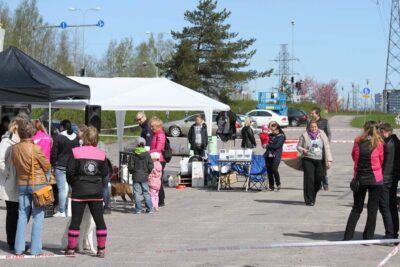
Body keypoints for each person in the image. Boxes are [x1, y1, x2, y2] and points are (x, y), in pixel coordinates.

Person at [66, 126, 108, 257]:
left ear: (84, 137)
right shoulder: (101, 154)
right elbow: (105, 172)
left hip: (79, 190)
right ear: (96, 139)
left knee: (76, 221)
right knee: (99, 220)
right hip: (96, 191)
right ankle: (101, 249)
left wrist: (74, 183)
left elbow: (70, 172)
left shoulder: (75, 152)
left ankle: (71, 249)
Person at [11, 119, 51, 256]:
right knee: (38, 216)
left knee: (22, 216)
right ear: (31, 133)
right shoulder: (36, 148)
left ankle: (18, 248)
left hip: (22, 184)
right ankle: (35, 249)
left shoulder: (14, 148)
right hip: (38, 183)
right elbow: (47, 166)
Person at [344, 121, 384, 241]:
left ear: (364, 129)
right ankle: (368, 238)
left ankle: (347, 237)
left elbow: (353, 156)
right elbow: (381, 160)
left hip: (359, 179)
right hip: (375, 180)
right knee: (372, 210)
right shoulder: (379, 143)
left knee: (356, 208)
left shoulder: (358, 141)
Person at [297, 120, 333, 206]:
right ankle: (309, 200)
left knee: (318, 180)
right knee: (309, 180)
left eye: (315, 127)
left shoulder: (322, 134)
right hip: (308, 159)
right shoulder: (304, 135)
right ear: (309, 128)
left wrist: (329, 160)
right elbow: (298, 146)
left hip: (319, 160)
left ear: (317, 127)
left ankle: (313, 196)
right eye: (312, 127)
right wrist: (303, 150)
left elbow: (327, 147)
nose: (313, 129)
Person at [0, 117, 22, 251]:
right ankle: (12, 242)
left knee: (22, 213)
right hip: (10, 183)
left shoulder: (25, 141)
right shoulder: (6, 141)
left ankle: (17, 241)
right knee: (13, 213)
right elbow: (0, 160)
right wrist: (7, 173)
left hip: (23, 183)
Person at [51, 119, 79, 217]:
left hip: (60, 166)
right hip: (73, 165)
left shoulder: (58, 137)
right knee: (72, 189)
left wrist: (52, 164)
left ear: (62, 127)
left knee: (62, 189)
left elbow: (54, 153)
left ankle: (62, 211)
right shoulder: (76, 137)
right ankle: (73, 210)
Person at [378, 123, 400, 239]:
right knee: (392, 206)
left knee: (385, 206)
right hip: (393, 178)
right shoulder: (396, 141)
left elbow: (386, 164)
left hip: (386, 179)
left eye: (381, 132)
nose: (380, 135)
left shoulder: (388, 144)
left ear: (386, 132)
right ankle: (394, 233)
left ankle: (390, 234)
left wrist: (381, 178)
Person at [128, 137, 154, 214]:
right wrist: (147, 172)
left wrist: (133, 172)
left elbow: (130, 166)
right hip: (145, 176)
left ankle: (138, 209)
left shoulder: (133, 155)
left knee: (136, 193)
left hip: (136, 176)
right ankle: (150, 208)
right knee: (146, 192)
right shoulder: (147, 154)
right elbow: (151, 165)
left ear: (136, 145)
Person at [309, 107, 331, 190]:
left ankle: (325, 183)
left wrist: (327, 144)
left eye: (312, 113)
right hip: (313, 148)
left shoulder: (325, 121)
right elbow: (307, 133)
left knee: (323, 166)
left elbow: (329, 133)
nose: (311, 115)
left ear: (317, 114)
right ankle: (318, 184)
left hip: (323, 148)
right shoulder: (310, 122)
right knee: (315, 166)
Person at [149, 117, 166, 208]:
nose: (151, 128)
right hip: (155, 158)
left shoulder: (160, 135)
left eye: (153, 126)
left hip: (159, 159)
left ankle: (160, 200)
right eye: (151, 126)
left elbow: (158, 149)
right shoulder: (156, 134)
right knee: (156, 180)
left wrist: (148, 152)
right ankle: (156, 198)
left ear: (158, 126)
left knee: (157, 180)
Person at [265, 121, 285, 191]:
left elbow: (277, 146)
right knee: (269, 171)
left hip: (276, 156)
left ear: (276, 126)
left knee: (274, 169)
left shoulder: (281, 136)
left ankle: (278, 183)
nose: (270, 127)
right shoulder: (270, 135)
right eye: (269, 126)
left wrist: (268, 145)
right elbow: (264, 143)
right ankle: (271, 185)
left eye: (272, 126)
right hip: (268, 155)